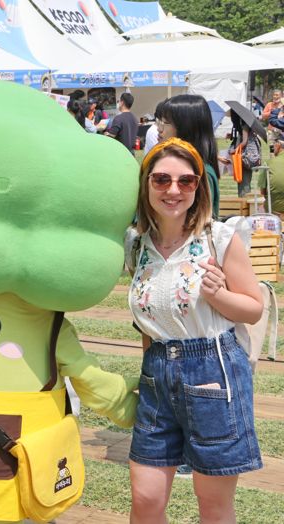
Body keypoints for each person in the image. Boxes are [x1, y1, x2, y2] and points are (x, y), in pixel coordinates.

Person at [127, 138, 263, 523]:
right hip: (157, 374)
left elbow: (253, 309)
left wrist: (219, 295)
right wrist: (149, 370)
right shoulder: (137, 245)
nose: (173, 190)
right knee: (145, 499)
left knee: (213, 504)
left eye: (186, 181)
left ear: (199, 187)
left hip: (213, 372)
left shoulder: (218, 238)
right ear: (146, 184)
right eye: (162, 179)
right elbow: (146, 322)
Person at [158, 94, 221, 220]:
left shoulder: (203, 173)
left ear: (185, 128)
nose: (159, 129)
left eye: (164, 123)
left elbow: (197, 223)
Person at [219, 110, 262, 197]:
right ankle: (244, 201)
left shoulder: (244, 124)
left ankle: (244, 202)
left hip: (245, 157)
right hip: (246, 157)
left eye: (232, 116)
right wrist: (231, 135)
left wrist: (234, 151)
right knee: (243, 180)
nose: (231, 119)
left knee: (244, 181)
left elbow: (244, 141)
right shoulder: (243, 124)